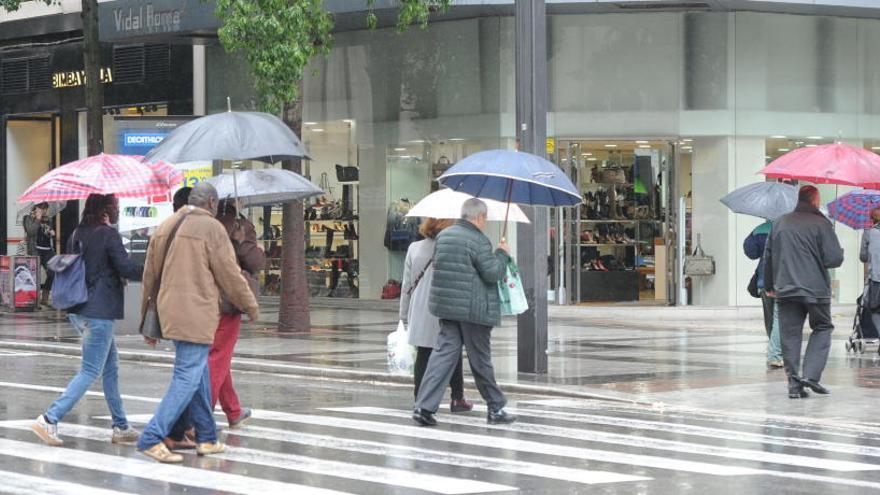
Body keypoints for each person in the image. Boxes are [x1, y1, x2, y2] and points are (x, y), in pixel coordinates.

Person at [136, 183, 259, 463]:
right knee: (187, 376)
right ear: (212, 203)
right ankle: (151, 436)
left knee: (200, 375)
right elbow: (229, 274)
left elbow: (149, 276)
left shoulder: (167, 225)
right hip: (197, 312)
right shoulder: (212, 228)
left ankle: (207, 437)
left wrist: (146, 319)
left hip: (170, 310)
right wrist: (250, 305)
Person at [31, 194, 143, 446]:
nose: (117, 210)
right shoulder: (108, 234)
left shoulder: (75, 233)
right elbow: (125, 268)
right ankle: (49, 419)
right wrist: (154, 268)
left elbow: (92, 267)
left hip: (78, 308)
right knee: (91, 369)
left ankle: (121, 426)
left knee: (110, 368)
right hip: (98, 311)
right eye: (115, 206)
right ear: (105, 208)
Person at [412, 198, 515, 427]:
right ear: (479, 217)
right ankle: (495, 407)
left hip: (447, 308)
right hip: (473, 310)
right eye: (485, 218)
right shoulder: (478, 240)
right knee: (480, 360)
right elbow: (492, 273)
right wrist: (502, 253)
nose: (485, 223)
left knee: (442, 357)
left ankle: (424, 407)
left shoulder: (444, 236)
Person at [764, 185, 844, 399]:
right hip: (815, 288)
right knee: (823, 326)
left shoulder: (780, 222)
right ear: (815, 200)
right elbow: (834, 259)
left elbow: (768, 256)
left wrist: (770, 285)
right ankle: (811, 374)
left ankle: (793, 385)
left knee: (790, 335)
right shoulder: (822, 223)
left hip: (786, 288)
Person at [400, 217, 473, 412]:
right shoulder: (453, 247)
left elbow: (407, 284)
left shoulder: (414, 248)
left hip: (420, 307)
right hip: (444, 304)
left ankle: (419, 399)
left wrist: (404, 314)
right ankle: (457, 398)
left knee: (423, 354)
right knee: (453, 350)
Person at [212, 199, 265, 427]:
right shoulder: (240, 226)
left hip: (206, 300)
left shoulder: (209, 224)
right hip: (229, 301)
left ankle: (233, 410)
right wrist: (253, 248)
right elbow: (255, 263)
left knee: (218, 357)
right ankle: (200, 416)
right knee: (218, 358)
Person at [743, 220, 783, 368]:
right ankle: (776, 353)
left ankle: (774, 350)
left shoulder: (760, 229)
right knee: (782, 318)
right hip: (785, 280)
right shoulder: (791, 227)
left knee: (770, 319)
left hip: (764, 281)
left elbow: (750, 252)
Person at [23, 202, 55, 305]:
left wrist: (51, 232)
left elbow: (47, 233)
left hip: (47, 250)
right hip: (35, 250)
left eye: (45, 208)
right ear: (35, 208)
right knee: (34, 276)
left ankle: (45, 298)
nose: (44, 210)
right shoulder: (28, 218)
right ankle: (34, 300)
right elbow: (30, 231)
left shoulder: (48, 219)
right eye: (41, 208)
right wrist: (37, 219)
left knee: (53, 272)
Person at [859, 207, 880, 332]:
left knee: (875, 309)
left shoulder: (868, 233)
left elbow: (863, 257)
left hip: (876, 279)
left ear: (871, 219)